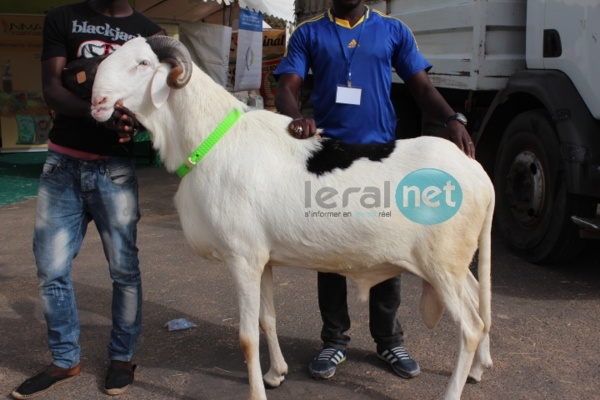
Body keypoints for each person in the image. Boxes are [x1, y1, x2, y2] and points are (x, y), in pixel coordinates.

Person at [274, 0, 474, 381]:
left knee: (389, 245)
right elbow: (288, 87)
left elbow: (421, 87)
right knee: (328, 246)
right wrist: (297, 119)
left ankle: (388, 340)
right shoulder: (309, 32)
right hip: (329, 155)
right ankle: (334, 340)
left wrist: (451, 118)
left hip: (383, 154)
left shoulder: (393, 30)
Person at [10, 1, 163, 398]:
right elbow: (53, 90)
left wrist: (133, 121)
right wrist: (102, 115)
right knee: (51, 269)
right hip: (63, 164)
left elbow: (156, 101)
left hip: (115, 169)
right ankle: (65, 360)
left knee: (124, 272)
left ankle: (121, 358)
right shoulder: (63, 18)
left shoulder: (150, 33)